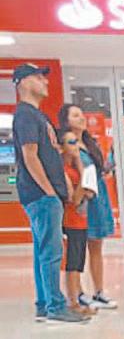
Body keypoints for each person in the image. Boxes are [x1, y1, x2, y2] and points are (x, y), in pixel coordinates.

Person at [11, 63, 90, 324]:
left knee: (43, 250)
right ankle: (56, 305)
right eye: (38, 77)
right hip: (42, 195)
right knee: (51, 252)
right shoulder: (25, 115)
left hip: (45, 195)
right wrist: (49, 191)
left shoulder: (37, 116)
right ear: (23, 82)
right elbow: (30, 155)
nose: (45, 81)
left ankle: (45, 304)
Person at [58, 104, 118, 310]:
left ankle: (99, 291)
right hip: (81, 200)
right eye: (76, 115)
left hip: (98, 197)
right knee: (77, 248)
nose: (81, 118)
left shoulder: (91, 144)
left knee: (96, 245)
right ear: (66, 121)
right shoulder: (68, 144)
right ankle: (78, 292)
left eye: (82, 114)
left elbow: (98, 170)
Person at [58, 130, 98, 317]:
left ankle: (76, 299)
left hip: (81, 221)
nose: (76, 146)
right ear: (61, 147)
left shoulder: (76, 167)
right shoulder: (62, 171)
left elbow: (88, 192)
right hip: (70, 221)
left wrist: (82, 169)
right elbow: (74, 198)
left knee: (79, 262)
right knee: (72, 263)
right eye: (71, 142)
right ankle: (72, 301)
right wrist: (84, 182)